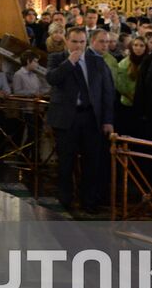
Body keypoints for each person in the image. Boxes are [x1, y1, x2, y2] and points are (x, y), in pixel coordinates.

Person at [45, 27, 116, 212]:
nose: (78, 45)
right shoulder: (57, 58)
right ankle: (65, 200)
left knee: (92, 162)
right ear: (67, 41)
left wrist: (108, 120)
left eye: (82, 42)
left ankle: (89, 202)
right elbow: (52, 79)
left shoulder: (97, 61)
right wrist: (69, 62)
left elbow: (107, 92)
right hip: (66, 119)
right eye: (75, 41)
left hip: (91, 118)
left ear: (87, 42)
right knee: (66, 163)